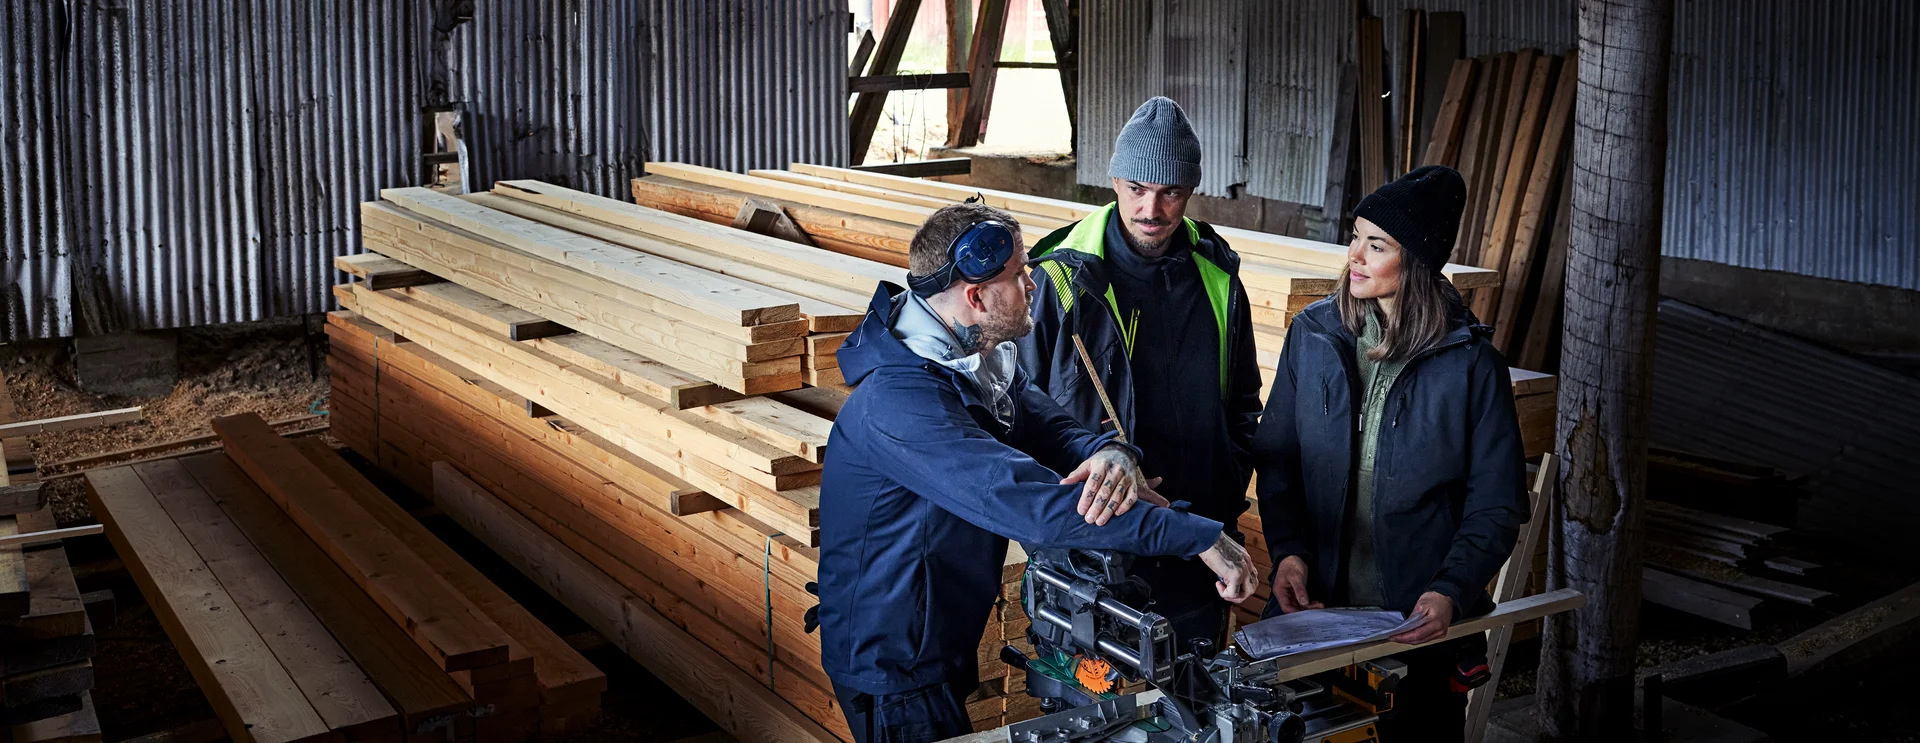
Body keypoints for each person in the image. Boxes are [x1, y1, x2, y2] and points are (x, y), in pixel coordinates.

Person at [819, 202, 1259, 743]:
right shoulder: (903, 398)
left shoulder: (977, 360)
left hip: (933, 630)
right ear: (976, 297)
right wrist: (1198, 536)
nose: (1033, 283)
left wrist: (1113, 454)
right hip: (894, 663)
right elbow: (1034, 506)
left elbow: (1055, 429)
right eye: (1018, 274)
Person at [1252, 166, 1528, 742]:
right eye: (1355, 237)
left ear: (1418, 262)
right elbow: (1279, 460)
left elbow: (1497, 504)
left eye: (1376, 245)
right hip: (1317, 615)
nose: (1353, 256)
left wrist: (1450, 591)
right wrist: (1289, 553)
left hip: (1416, 625)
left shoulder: (1472, 365)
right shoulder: (1315, 335)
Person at [1019, 96, 1264, 651]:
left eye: (1170, 192)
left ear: (1191, 190)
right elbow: (1023, 414)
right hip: (1096, 549)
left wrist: (1225, 488)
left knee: (1193, 691)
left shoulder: (1217, 275)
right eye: (1137, 188)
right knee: (1096, 698)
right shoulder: (1061, 278)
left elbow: (1243, 401)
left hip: (1199, 544)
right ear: (1113, 181)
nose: (1151, 208)